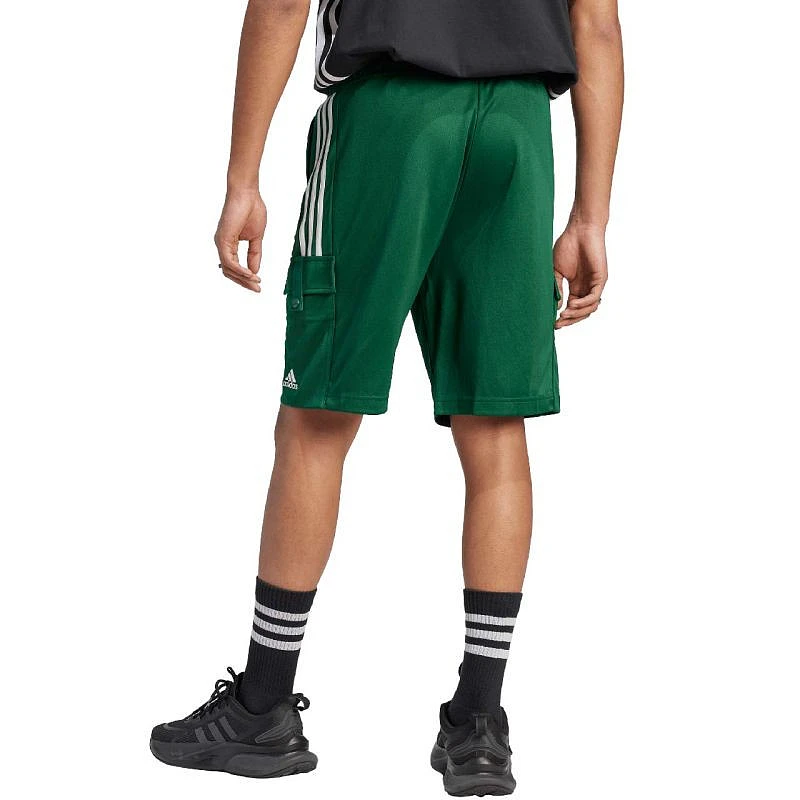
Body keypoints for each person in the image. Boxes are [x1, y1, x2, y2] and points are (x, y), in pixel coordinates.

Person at [150, 0, 623, 794]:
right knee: (494, 427)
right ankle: (479, 723)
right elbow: (597, 25)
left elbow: (283, 4)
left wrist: (242, 177)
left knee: (318, 416)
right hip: (517, 129)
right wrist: (591, 216)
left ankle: (263, 706)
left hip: (389, 117)